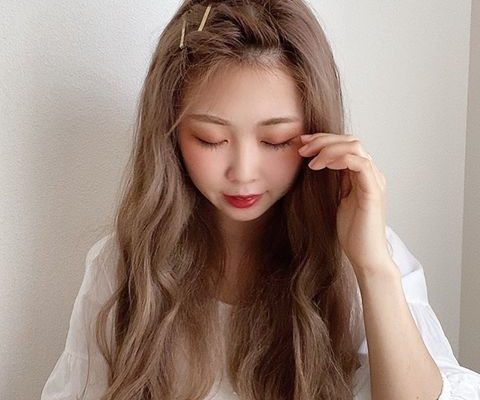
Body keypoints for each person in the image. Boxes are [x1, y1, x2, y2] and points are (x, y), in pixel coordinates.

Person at [41, 1, 480, 399]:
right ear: (170, 136)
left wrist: (373, 267)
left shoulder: (363, 257)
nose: (244, 172)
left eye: (276, 140)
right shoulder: (123, 266)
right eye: (210, 138)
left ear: (317, 132)